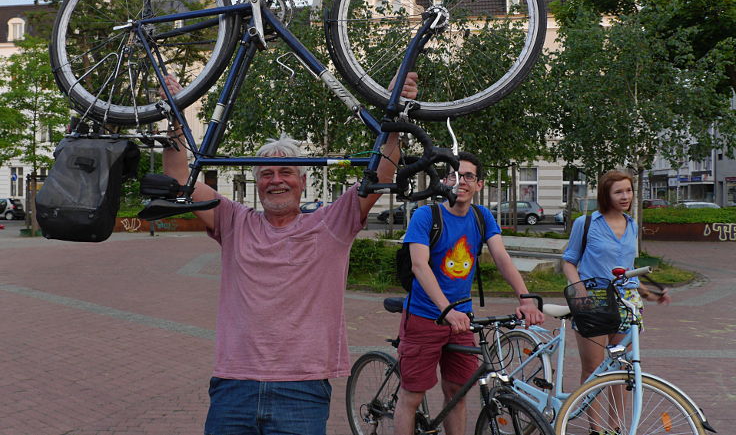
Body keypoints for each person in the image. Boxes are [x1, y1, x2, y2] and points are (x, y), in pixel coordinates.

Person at [161, 73, 418, 435]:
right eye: (266, 173)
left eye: (286, 172)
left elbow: (379, 173)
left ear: (303, 181)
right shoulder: (234, 221)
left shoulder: (332, 223)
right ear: (256, 182)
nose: (276, 180)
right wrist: (175, 114)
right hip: (235, 384)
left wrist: (396, 119)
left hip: (302, 388)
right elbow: (178, 178)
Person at [393, 151, 545, 435]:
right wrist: (446, 310)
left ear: (479, 184)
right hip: (426, 316)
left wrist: (525, 297)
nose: (459, 181)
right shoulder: (426, 215)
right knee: (412, 395)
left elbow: (501, 256)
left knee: (458, 392)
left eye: (467, 176)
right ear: (445, 180)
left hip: (461, 319)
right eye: (453, 175)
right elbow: (419, 265)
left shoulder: (481, 216)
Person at [562, 170, 671, 387]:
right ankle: (594, 423)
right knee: (593, 370)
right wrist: (579, 289)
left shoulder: (632, 225)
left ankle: (616, 423)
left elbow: (627, 270)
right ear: (605, 195)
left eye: (629, 190)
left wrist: (650, 294)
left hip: (627, 303)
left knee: (621, 370)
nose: (625, 197)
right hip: (595, 299)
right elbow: (568, 262)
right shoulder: (586, 223)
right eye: (618, 192)